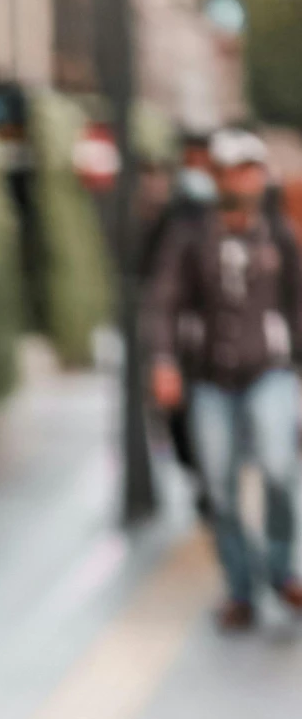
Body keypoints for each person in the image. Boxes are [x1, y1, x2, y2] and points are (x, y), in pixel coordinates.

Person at [148, 127, 302, 631]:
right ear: (218, 177)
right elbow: (165, 302)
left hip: (269, 370)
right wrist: (165, 360)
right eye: (237, 169)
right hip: (210, 377)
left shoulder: (278, 233)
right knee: (220, 487)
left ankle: (282, 572)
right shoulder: (190, 236)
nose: (248, 179)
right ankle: (241, 588)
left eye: (254, 169)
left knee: (280, 468)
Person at [140, 132, 217, 519]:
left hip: (214, 342)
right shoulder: (169, 216)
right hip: (177, 339)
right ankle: (201, 477)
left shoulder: (223, 211)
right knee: (177, 419)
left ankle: (212, 481)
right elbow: (151, 276)